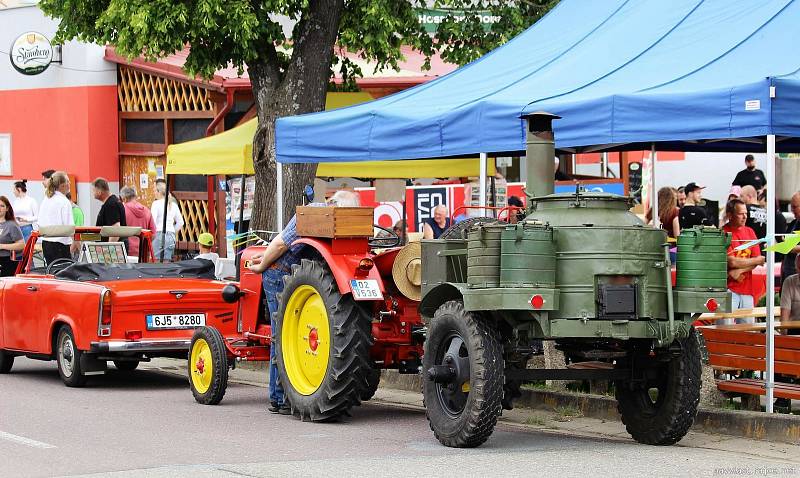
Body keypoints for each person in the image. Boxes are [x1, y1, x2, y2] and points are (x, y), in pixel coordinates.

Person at [247, 189, 360, 415]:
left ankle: (280, 398)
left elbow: (280, 245)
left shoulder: (316, 215)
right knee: (285, 335)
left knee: (282, 335)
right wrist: (263, 260)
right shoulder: (332, 219)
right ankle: (280, 396)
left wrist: (261, 266)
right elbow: (279, 245)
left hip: (285, 273)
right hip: (290, 274)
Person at [722, 199, 765, 324]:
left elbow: (760, 259)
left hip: (747, 290)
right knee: (725, 329)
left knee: (748, 330)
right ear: (730, 215)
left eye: (746, 213)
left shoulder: (750, 231)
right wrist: (753, 261)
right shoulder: (723, 232)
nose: (745, 216)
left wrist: (740, 270)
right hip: (727, 288)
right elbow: (731, 262)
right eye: (741, 213)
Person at [38, 171, 76, 264]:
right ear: (62, 185)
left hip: (46, 242)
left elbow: (40, 222)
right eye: (67, 181)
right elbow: (69, 226)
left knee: (51, 272)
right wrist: (74, 243)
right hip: (60, 244)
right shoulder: (64, 201)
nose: (69, 183)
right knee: (63, 274)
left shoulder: (46, 199)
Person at [151, 180, 184, 262]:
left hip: (158, 234)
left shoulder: (156, 204)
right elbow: (181, 222)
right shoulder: (173, 205)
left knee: (157, 262)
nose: (154, 193)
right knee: (167, 262)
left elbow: (153, 222)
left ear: (159, 191)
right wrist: (172, 230)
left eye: (155, 190)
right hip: (171, 236)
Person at [120, 186, 156, 258]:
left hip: (125, 251)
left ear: (124, 199)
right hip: (142, 252)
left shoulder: (122, 210)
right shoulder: (147, 211)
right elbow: (153, 233)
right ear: (135, 196)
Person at [92, 178, 128, 248]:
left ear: (99, 191)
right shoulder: (112, 202)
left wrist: (108, 249)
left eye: (93, 190)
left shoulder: (111, 204)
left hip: (113, 250)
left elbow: (115, 229)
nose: (92, 193)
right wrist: (83, 237)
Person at [0, 196, 24, 277]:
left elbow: (21, 245)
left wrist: (2, 246)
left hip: (6, 262)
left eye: (2, 206)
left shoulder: (11, 225)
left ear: (7, 209)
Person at [781, 192, 800, 285]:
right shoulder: (793, 223)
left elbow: (789, 247)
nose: (792, 210)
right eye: (791, 207)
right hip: (788, 272)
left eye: (795, 207)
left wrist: (792, 248)